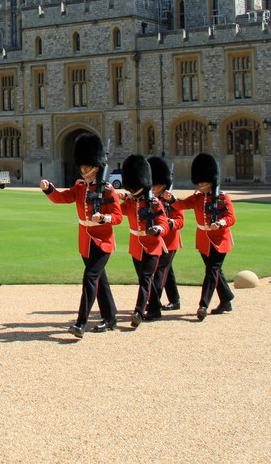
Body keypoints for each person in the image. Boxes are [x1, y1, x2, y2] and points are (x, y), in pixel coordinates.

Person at [40, 132, 123, 338]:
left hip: (103, 242)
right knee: (99, 280)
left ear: (96, 167)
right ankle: (110, 317)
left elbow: (118, 217)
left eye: (86, 166)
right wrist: (49, 189)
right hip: (86, 241)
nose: (83, 169)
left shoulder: (108, 191)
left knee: (89, 278)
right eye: (82, 166)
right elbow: (60, 198)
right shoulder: (79, 188)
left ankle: (80, 323)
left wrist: (103, 218)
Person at [171, 153, 236, 321]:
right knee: (215, 271)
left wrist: (220, 223)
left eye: (203, 181)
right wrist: (171, 199)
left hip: (220, 239)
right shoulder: (198, 197)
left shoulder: (223, 198)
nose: (200, 184)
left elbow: (231, 218)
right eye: (199, 182)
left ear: (211, 180)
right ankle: (226, 299)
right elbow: (183, 205)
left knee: (211, 270)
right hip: (203, 239)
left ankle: (203, 305)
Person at [116, 154, 168, 329]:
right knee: (145, 279)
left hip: (152, 245)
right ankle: (155, 309)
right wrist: (115, 197)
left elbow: (164, 224)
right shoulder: (131, 203)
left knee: (145, 278)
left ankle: (138, 311)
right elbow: (117, 211)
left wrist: (159, 230)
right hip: (136, 246)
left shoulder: (154, 203)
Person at [149, 156, 184, 313]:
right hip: (156, 240)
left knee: (161, 270)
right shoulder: (150, 199)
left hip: (169, 242)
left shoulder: (171, 200)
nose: (153, 186)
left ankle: (153, 302)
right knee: (167, 271)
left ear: (163, 185)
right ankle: (175, 300)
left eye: (155, 184)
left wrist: (170, 223)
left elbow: (180, 221)